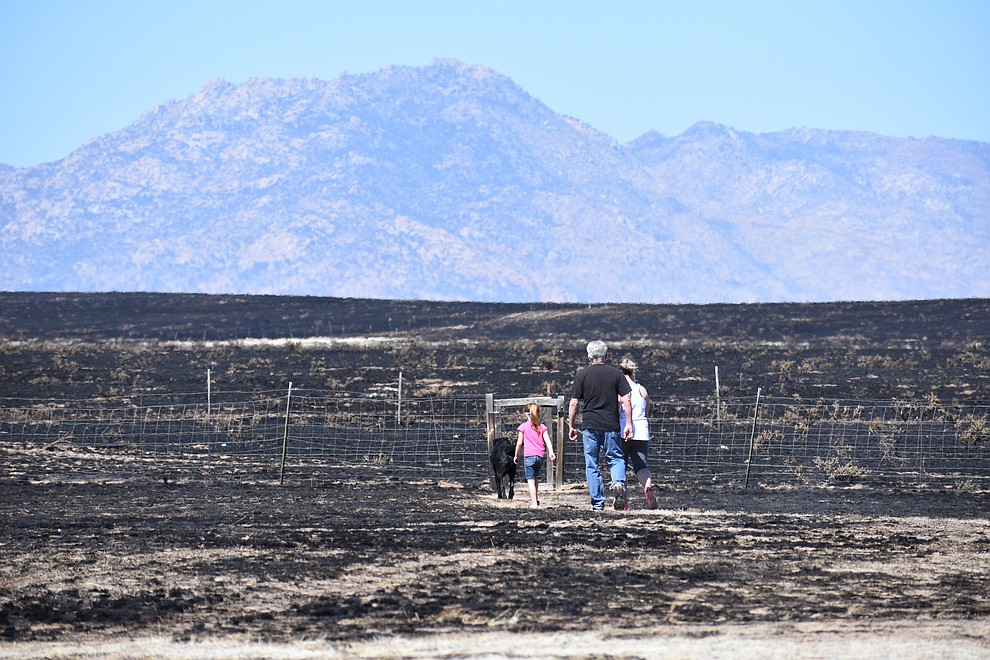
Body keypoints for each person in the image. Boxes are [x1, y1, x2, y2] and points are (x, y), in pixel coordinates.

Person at [568, 340, 633, 510]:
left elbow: (574, 403)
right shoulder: (616, 374)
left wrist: (571, 426)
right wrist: (629, 424)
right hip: (611, 424)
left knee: (592, 463)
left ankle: (598, 503)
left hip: (590, 424)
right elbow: (626, 399)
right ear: (606, 355)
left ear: (588, 356)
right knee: (616, 458)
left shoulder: (582, 375)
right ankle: (618, 483)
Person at [619, 357, 658, 509]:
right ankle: (647, 487)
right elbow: (646, 411)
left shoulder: (619, 391)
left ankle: (623, 499)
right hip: (641, 432)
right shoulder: (642, 389)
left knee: (620, 464)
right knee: (641, 466)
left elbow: (616, 412)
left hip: (623, 431)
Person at [514, 402, 557, 508]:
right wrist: (551, 452)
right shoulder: (542, 427)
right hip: (540, 456)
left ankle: (534, 503)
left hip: (529, 456)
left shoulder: (523, 427)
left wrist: (516, 455)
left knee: (530, 480)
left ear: (526, 414)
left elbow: (519, 443)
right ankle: (536, 499)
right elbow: (548, 441)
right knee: (535, 478)